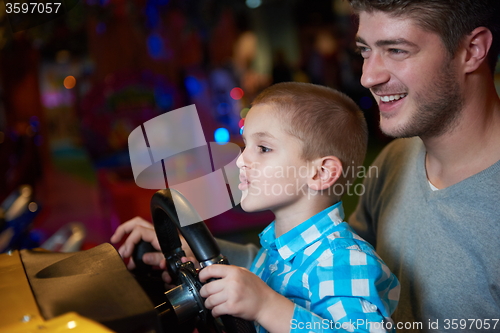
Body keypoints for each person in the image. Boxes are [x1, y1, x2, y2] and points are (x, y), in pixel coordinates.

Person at [112, 82, 400, 332]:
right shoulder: (274, 249)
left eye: (263, 148)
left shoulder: (344, 261)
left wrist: (267, 307)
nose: (240, 161)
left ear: (321, 173)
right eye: (246, 145)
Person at [347, 0, 500, 331]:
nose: (368, 76)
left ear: (472, 50)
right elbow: (330, 267)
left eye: (397, 51)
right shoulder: (393, 161)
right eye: (365, 50)